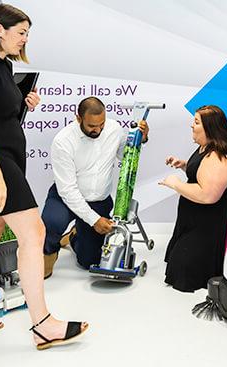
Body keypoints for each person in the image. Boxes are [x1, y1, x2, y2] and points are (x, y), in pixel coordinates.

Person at [0, 3, 88, 349]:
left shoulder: (0, 66)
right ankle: (42, 323)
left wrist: (20, 102)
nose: (25, 40)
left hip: (0, 159)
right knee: (34, 231)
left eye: (27, 34)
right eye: (21, 32)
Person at [41, 97, 149, 276]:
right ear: (78, 118)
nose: (97, 129)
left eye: (101, 124)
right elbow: (67, 190)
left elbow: (125, 156)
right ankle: (49, 252)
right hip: (66, 198)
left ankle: (74, 236)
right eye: (92, 126)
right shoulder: (63, 141)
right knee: (52, 223)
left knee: (89, 261)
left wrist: (141, 139)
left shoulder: (114, 129)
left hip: (99, 200)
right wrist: (93, 220)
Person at [159, 105, 227, 292]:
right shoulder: (205, 148)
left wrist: (175, 184)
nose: (191, 126)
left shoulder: (219, 156)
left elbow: (209, 195)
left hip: (207, 228)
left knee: (183, 271)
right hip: (192, 222)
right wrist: (184, 165)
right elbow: (202, 174)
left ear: (210, 128)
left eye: (196, 122)